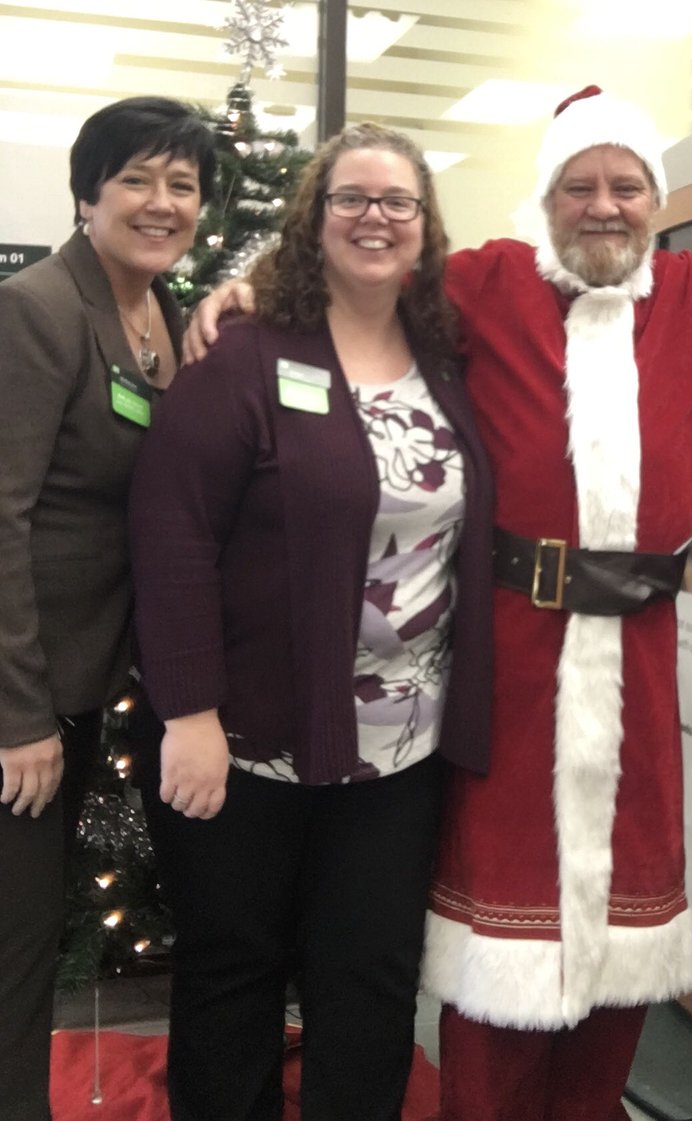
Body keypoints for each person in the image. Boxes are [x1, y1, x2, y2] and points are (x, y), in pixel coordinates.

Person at [184, 87, 692, 1121]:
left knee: (625, 922)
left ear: (654, 201)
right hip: (508, 652)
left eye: (626, 185)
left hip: (639, 658)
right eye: (579, 185)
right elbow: (364, 267)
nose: (603, 205)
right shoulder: (486, 280)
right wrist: (246, 286)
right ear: (546, 197)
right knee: (497, 926)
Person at [127, 123, 493, 1121]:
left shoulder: (446, 356)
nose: (376, 217)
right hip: (249, 739)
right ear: (314, 218)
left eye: (397, 200)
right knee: (233, 967)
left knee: (371, 974)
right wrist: (189, 711)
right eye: (352, 198)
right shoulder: (244, 354)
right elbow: (172, 533)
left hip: (400, 750)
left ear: (424, 223)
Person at [0, 96, 214, 1121]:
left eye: (182, 184)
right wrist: (19, 718)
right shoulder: (38, 309)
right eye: (136, 179)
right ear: (88, 193)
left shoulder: (161, 311)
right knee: (13, 947)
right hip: (25, 687)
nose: (160, 202)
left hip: (91, 673)